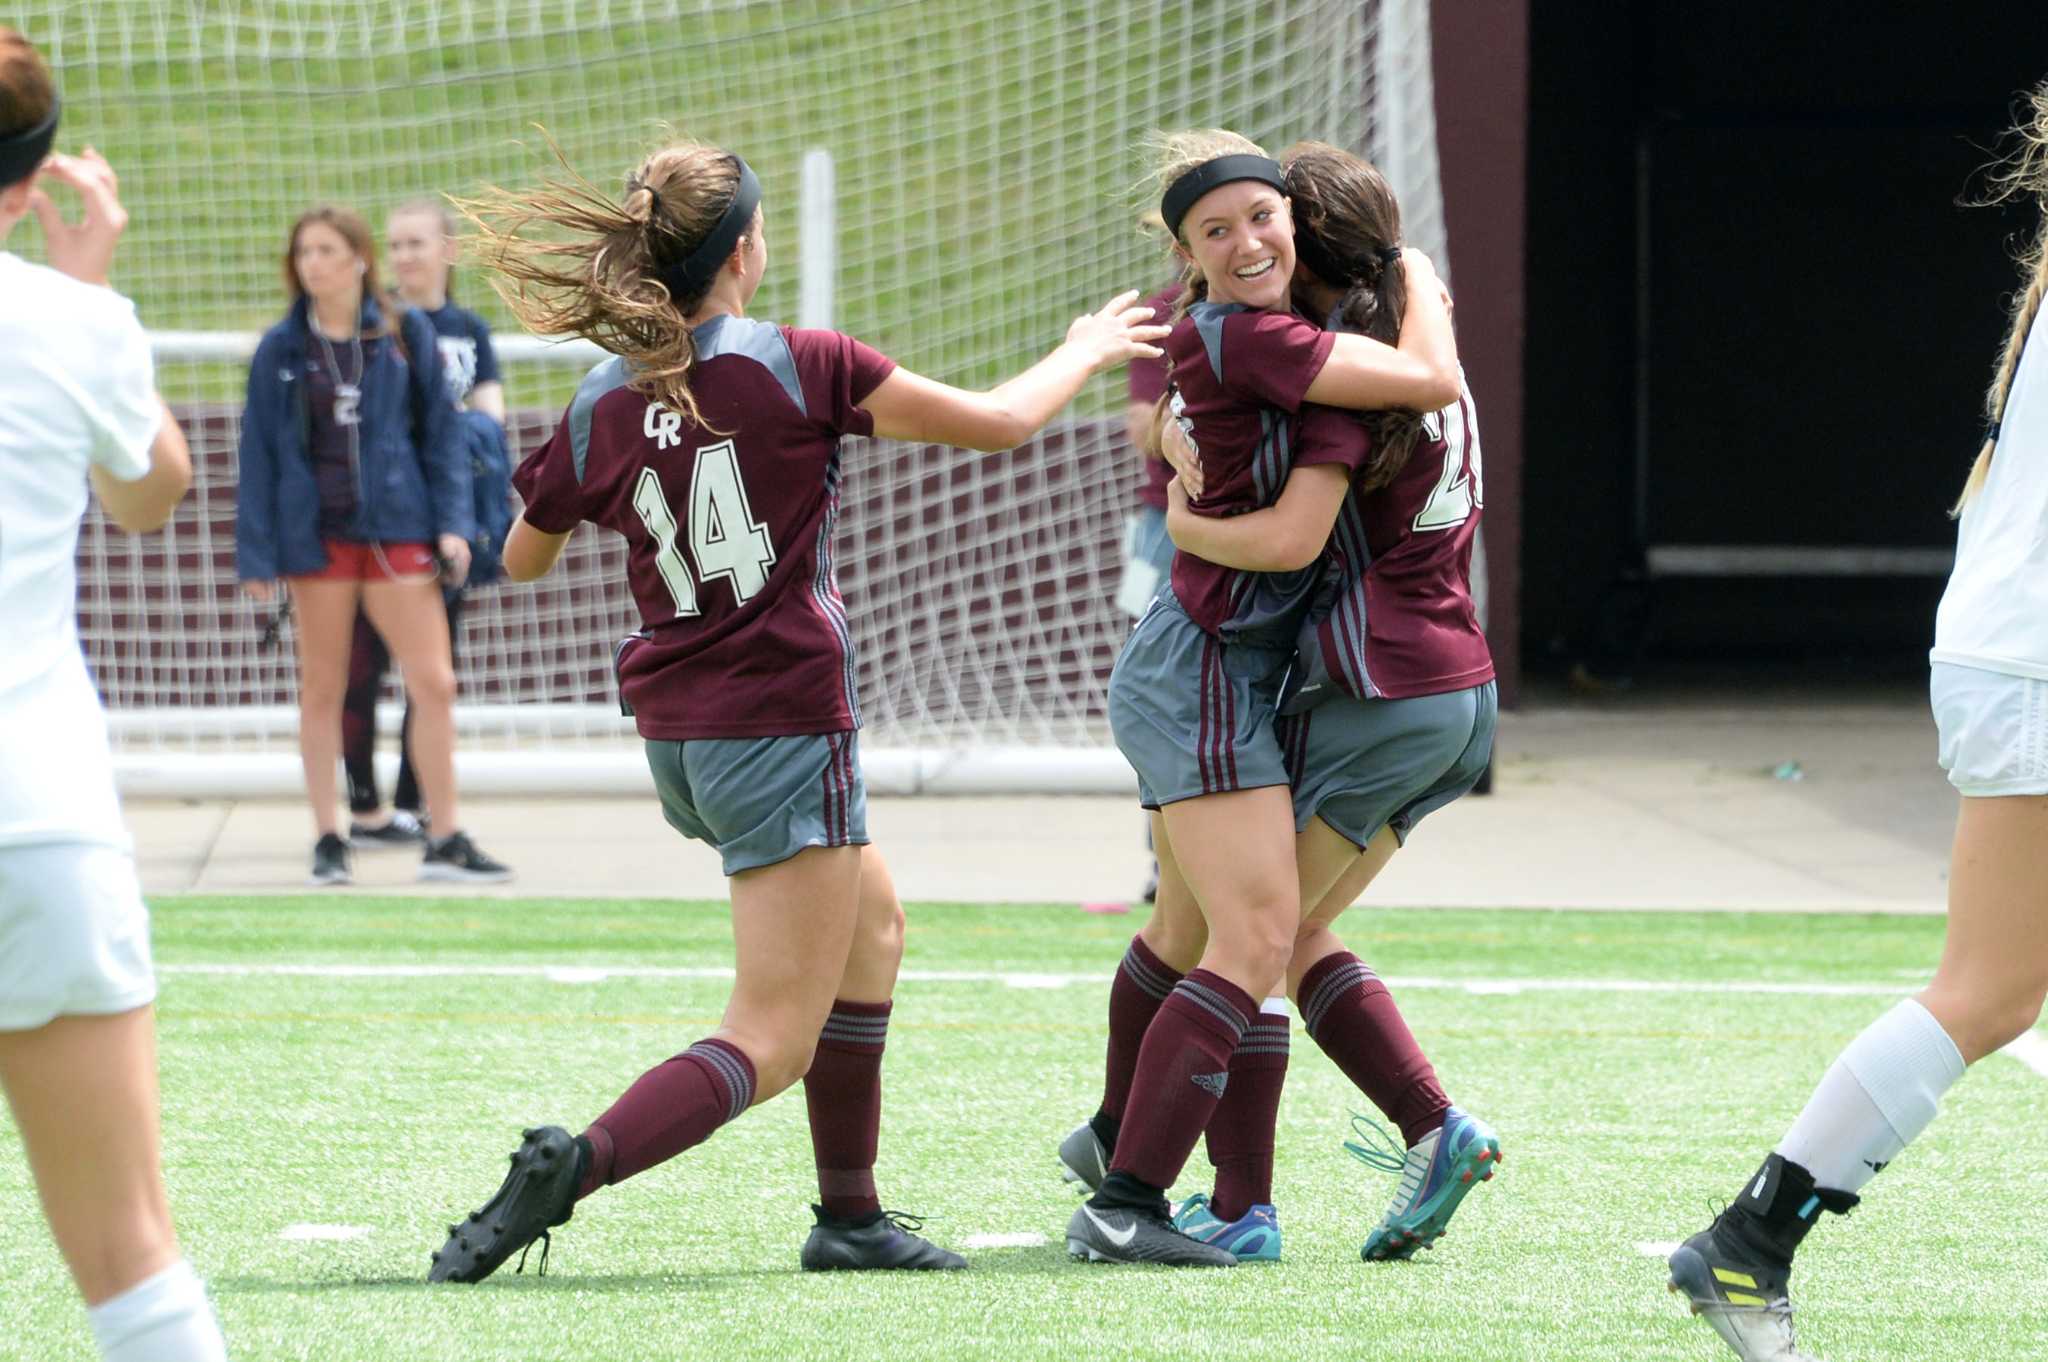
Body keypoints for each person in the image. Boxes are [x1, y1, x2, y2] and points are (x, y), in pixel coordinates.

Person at [425, 136, 1167, 1283]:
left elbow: (522, 560)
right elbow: (1002, 423)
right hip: (778, 718)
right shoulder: (797, 363)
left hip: (682, 731)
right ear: (746, 250)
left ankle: (850, 1218)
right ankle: (573, 1168)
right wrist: (1083, 348)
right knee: (770, 1035)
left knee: (873, 930)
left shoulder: (602, 396)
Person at [1667, 82, 2048, 1362]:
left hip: (2011, 661)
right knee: (1987, 991)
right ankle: (1745, 1242)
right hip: (2032, 669)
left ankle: (1747, 1241)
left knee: (1990, 989)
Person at [1066, 128, 1460, 1267]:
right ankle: (1130, 1201)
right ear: (1188, 257)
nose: (1244, 242)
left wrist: (1180, 480)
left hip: (1222, 669)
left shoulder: (1292, 337)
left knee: (1190, 928)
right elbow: (1428, 384)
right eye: (1214, 232)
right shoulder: (1264, 337)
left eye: (1260, 217)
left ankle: (1116, 1143)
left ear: (1296, 220)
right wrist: (1419, 278)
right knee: (1254, 932)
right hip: (1194, 668)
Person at [1157, 141, 1500, 1261]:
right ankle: (1378, 1145)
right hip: (1458, 693)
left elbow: (1292, 531)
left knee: (1246, 937)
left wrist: (1187, 517)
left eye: (1274, 223)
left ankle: (1252, 1197)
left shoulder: (1347, 378)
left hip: (1377, 685)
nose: (1259, 248)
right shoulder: (1411, 336)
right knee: (1293, 932)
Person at [0, 29, 228, 1359]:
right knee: (131, 1254)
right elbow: (153, 490)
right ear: (31, 187)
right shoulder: (79, 321)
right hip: (38, 822)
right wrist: (85, 295)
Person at [235, 203, 513, 886]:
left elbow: (443, 438)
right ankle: (330, 836)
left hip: (398, 529)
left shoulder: (402, 332)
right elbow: (259, 454)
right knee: (323, 686)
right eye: (304, 253)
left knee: (434, 682)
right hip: (318, 539)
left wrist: (452, 523)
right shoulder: (283, 347)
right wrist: (258, 553)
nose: (313, 264)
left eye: (327, 250)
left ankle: (443, 836)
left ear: (360, 259)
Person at [340, 197, 512, 848]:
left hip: (446, 518)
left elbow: (489, 422)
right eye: (396, 245)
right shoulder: (375, 321)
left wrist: (450, 438)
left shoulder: (470, 329)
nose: (404, 257)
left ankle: (415, 800)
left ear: (448, 250)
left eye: (416, 243)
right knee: (361, 667)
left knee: (432, 675)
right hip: (382, 524)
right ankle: (363, 803)